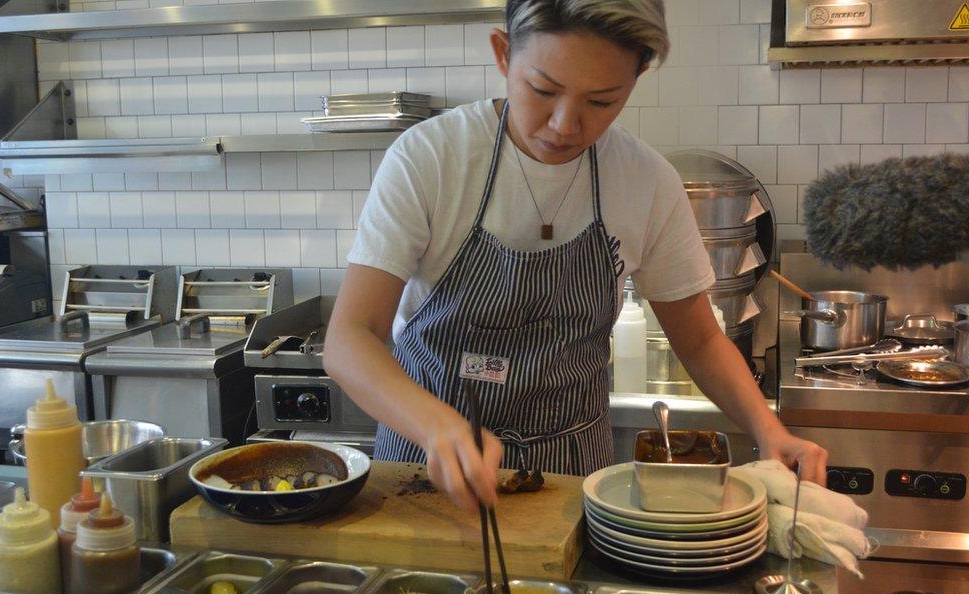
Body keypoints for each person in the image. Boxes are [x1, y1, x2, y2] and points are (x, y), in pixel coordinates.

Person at [324, 0, 828, 512]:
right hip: (425, 459)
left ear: (638, 76)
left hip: (568, 467)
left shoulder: (645, 181)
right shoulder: (431, 159)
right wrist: (437, 428)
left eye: (602, 101)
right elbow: (349, 339)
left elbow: (698, 338)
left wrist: (770, 432)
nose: (565, 125)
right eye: (542, 90)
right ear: (503, 55)